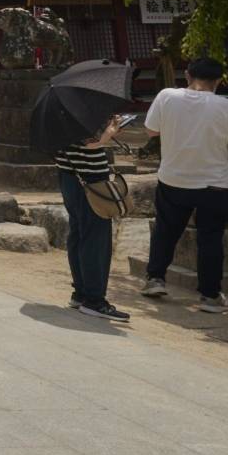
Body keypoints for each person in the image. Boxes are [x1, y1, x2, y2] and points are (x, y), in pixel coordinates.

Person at [140, 56, 228, 313]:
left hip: (173, 178)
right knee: (210, 238)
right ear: (218, 81)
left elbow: (151, 130)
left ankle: (155, 279)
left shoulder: (166, 96)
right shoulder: (226, 106)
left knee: (166, 230)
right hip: (214, 183)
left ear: (188, 75)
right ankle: (210, 296)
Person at [58, 114, 130, 322]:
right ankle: (94, 300)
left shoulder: (56, 116)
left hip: (70, 177)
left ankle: (81, 292)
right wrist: (111, 131)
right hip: (88, 180)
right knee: (95, 239)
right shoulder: (78, 115)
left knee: (79, 234)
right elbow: (92, 143)